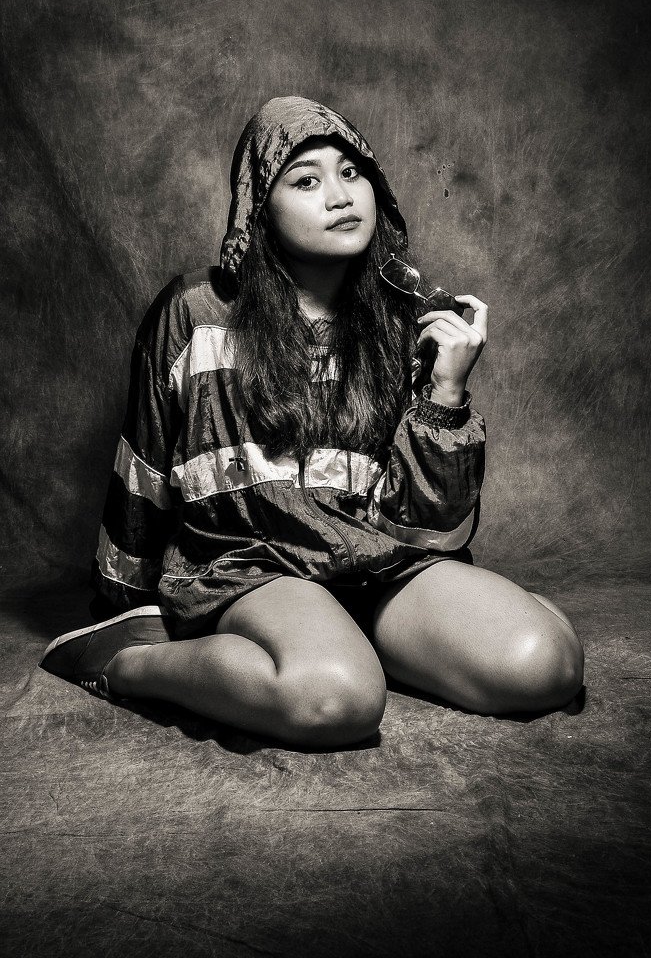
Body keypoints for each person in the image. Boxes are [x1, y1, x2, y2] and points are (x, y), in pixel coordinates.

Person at [40, 96, 584, 747]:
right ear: (259, 209)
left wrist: (446, 392)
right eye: (306, 180)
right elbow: (145, 463)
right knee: (336, 699)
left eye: (352, 172)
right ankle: (128, 665)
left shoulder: (405, 319)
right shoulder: (195, 312)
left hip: (376, 562)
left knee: (547, 666)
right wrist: (126, 603)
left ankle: (358, 640)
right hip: (250, 564)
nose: (340, 195)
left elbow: (428, 529)